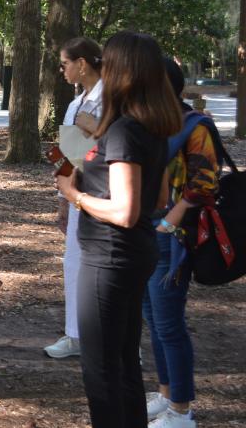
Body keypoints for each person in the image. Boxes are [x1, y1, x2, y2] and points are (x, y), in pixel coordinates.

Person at [56, 31, 182, 427]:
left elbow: (127, 211)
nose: (103, 68)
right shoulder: (152, 125)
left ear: (125, 70)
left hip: (110, 257)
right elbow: (159, 198)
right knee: (124, 359)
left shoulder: (126, 130)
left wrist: (74, 194)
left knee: (101, 369)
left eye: (109, 61)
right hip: (132, 254)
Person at [143, 59, 217, 428]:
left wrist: (168, 225)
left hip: (173, 239)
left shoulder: (193, 126)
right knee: (153, 319)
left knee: (169, 323)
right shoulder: (153, 125)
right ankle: (166, 393)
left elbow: (204, 183)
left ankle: (182, 411)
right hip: (147, 234)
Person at [44, 37, 104, 360]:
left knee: (106, 269)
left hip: (105, 194)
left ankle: (115, 340)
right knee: (74, 262)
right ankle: (74, 334)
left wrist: (93, 127)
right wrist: (62, 200)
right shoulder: (73, 104)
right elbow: (68, 154)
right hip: (76, 194)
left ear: (82, 64)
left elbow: (117, 139)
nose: (62, 69)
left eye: (65, 63)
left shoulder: (111, 98)